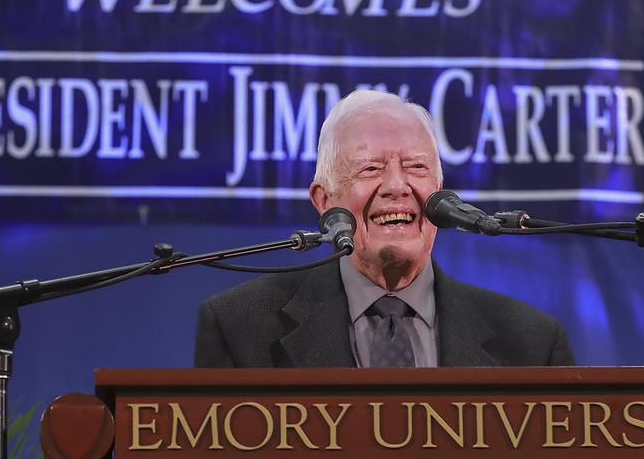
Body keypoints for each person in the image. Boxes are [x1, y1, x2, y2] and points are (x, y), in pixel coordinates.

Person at [195, 90, 574, 367]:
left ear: (441, 195)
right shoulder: (241, 327)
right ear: (324, 201)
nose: (397, 186)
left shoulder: (532, 343)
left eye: (417, 168)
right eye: (370, 168)